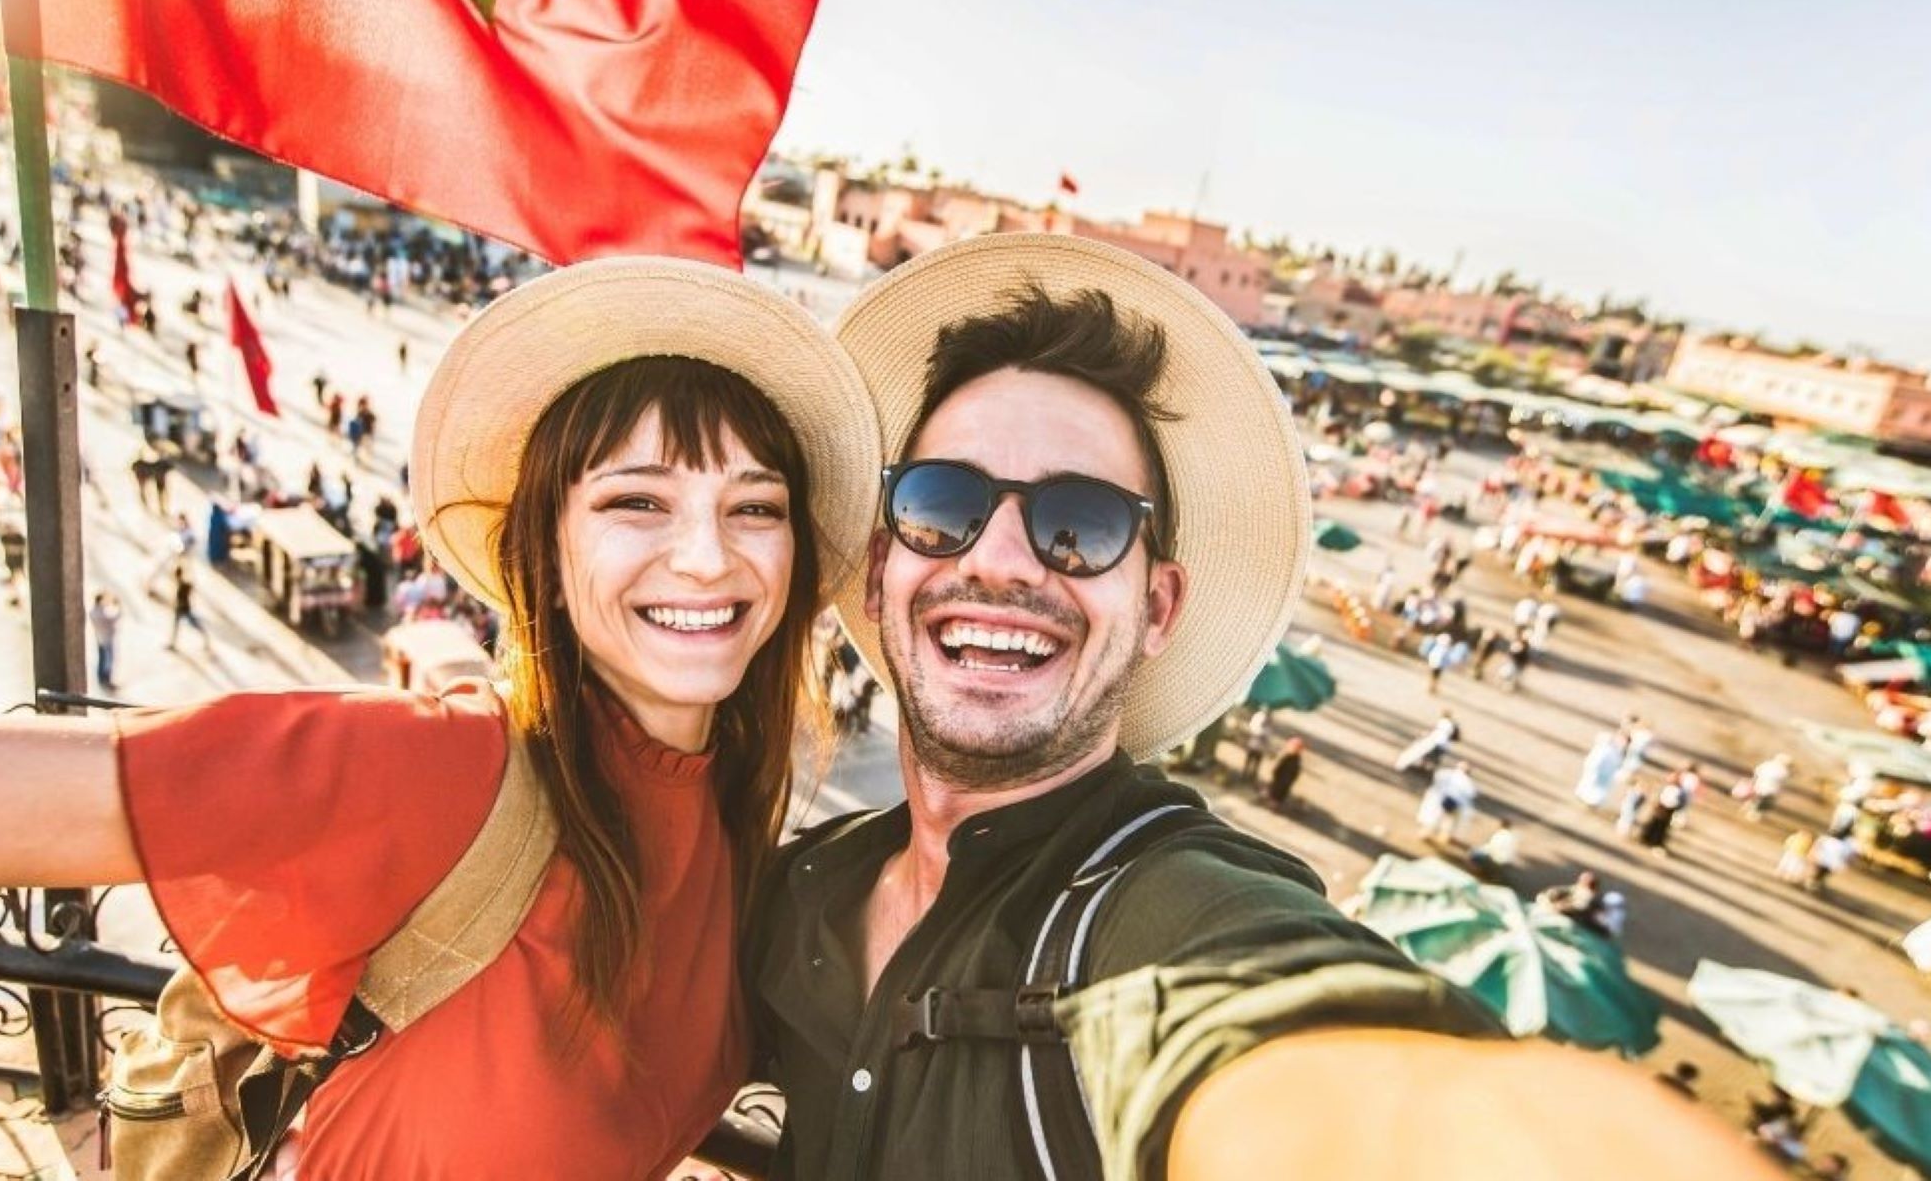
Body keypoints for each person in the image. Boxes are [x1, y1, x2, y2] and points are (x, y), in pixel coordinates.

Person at [0, 257, 884, 1179]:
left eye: (755, 507)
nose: (706, 556)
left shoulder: (739, 817)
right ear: (544, 552)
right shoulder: (431, 771)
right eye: (636, 501)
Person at [742, 236, 1770, 1181]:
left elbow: (1326, 1065)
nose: (1000, 559)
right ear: (882, 566)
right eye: (943, 504)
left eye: (1080, 524)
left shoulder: (1171, 917)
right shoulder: (802, 888)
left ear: (1157, 608)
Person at [1262, 736, 1308, 810]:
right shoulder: (1293, 758)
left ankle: (1274, 802)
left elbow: (1292, 770)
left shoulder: (1293, 758)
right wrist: (1276, 772)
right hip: (1282, 779)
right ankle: (1273, 801)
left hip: (1284, 780)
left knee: (1278, 791)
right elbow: (1281, 766)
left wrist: (1276, 772)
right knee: (1277, 790)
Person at [89, 590, 122, 689]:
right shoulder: (99, 613)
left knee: (103, 659)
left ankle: (103, 679)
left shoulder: (95, 612)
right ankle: (105, 680)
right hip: (105, 639)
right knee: (107, 660)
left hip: (101, 638)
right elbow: (112, 619)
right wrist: (118, 606)